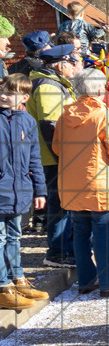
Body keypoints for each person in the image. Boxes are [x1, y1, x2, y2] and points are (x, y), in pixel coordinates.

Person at [52, 68, 109, 296]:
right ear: (100, 88)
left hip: (72, 183)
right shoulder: (103, 114)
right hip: (98, 182)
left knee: (79, 233)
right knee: (101, 234)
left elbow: (57, 148)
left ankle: (86, 279)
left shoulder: (65, 115)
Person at [27, 44, 80, 267]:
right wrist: (61, 155)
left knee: (63, 203)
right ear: (61, 65)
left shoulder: (52, 82)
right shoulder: (48, 86)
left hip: (55, 155)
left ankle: (63, 248)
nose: (77, 67)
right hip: (53, 157)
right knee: (59, 204)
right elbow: (50, 125)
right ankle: (57, 253)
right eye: (73, 63)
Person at [0, 75, 47, 310]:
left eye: (9, 92)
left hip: (20, 191)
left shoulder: (27, 121)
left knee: (14, 236)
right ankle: (2, 285)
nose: (3, 95)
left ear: (24, 97)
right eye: (2, 90)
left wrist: (40, 190)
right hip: (2, 190)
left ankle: (17, 278)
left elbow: (34, 159)